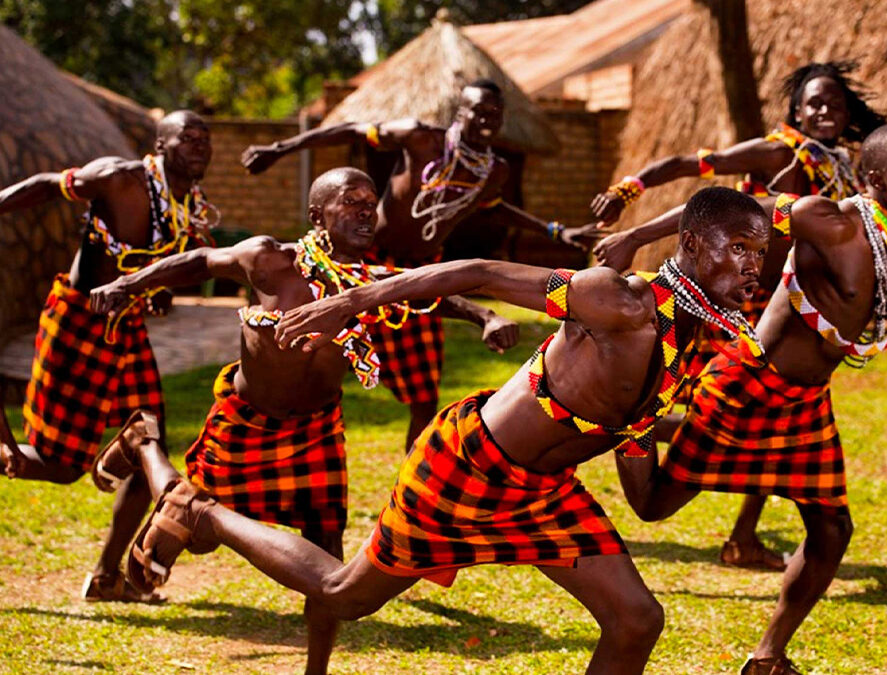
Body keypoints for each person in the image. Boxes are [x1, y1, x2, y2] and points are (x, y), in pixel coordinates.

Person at [91, 186, 771, 675]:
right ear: (689, 243)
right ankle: (202, 510)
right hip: (466, 466)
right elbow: (480, 271)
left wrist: (707, 454)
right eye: (738, 247)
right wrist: (355, 299)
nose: (751, 265)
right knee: (345, 594)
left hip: (543, 491)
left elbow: (643, 480)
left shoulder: (697, 335)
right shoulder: (618, 300)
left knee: (637, 620)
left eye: (760, 253)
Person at [89, 167, 518, 674]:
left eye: (371, 203)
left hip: (317, 432)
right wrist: (129, 282)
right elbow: (199, 260)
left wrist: (486, 316)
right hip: (245, 423)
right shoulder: (269, 260)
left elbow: (431, 291)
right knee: (200, 537)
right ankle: (143, 441)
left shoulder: (368, 283)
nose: (366, 212)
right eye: (351, 202)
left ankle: (316, 670)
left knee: (327, 555)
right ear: (317, 215)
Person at [615, 124, 887, 675]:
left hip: (807, 401)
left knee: (832, 530)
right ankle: (625, 424)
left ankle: (767, 657)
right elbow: (720, 215)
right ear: (876, 180)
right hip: (749, 386)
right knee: (653, 506)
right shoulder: (826, 220)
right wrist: (635, 236)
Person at [592, 61, 887, 571]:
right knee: (714, 410)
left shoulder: (840, 168)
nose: (825, 112)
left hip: (786, 307)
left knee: (773, 420)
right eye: (814, 103)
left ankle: (741, 537)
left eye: (835, 104)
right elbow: (694, 176)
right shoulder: (778, 152)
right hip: (734, 304)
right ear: (796, 111)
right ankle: (607, 428)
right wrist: (629, 198)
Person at [241, 79, 597, 449]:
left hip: (423, 273)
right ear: (460, 112)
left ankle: (413, 475)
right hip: (366, 264)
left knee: (424, 394)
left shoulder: (494, 171)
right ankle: (276, 430)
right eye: (478, 111)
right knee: (315, 363)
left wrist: (554, 231)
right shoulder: (421, 139)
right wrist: (279, 149)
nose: (486, 120)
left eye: (494, 113)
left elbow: (492, 207)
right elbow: (351, 130)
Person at [0, 110, 215, 602]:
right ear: (161, 145)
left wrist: (161, 290)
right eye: (188, 137)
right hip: (77, 323)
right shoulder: (120, 179)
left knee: (149, 449)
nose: (200, 146)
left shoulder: (190, 205)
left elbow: (163, 263)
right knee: (60, 465)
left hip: (128, 329)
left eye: (205, 139)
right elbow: (46, 184)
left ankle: (105, 577)